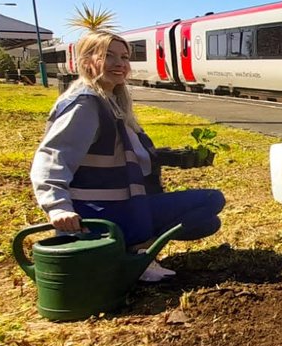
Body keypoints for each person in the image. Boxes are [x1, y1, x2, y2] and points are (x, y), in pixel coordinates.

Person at [30, 31, 226, 281]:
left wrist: (173, 157)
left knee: (207, 223)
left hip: (122, 203)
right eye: (108, 56)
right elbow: (52, 156)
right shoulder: (86, 104)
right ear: (87, 60)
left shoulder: (111, 100)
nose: (120, 63)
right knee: (211, 200)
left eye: (124, 57)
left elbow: (124, 153)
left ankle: (132, 251)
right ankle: (135, 256)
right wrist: (58, 209)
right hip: (100, 210)